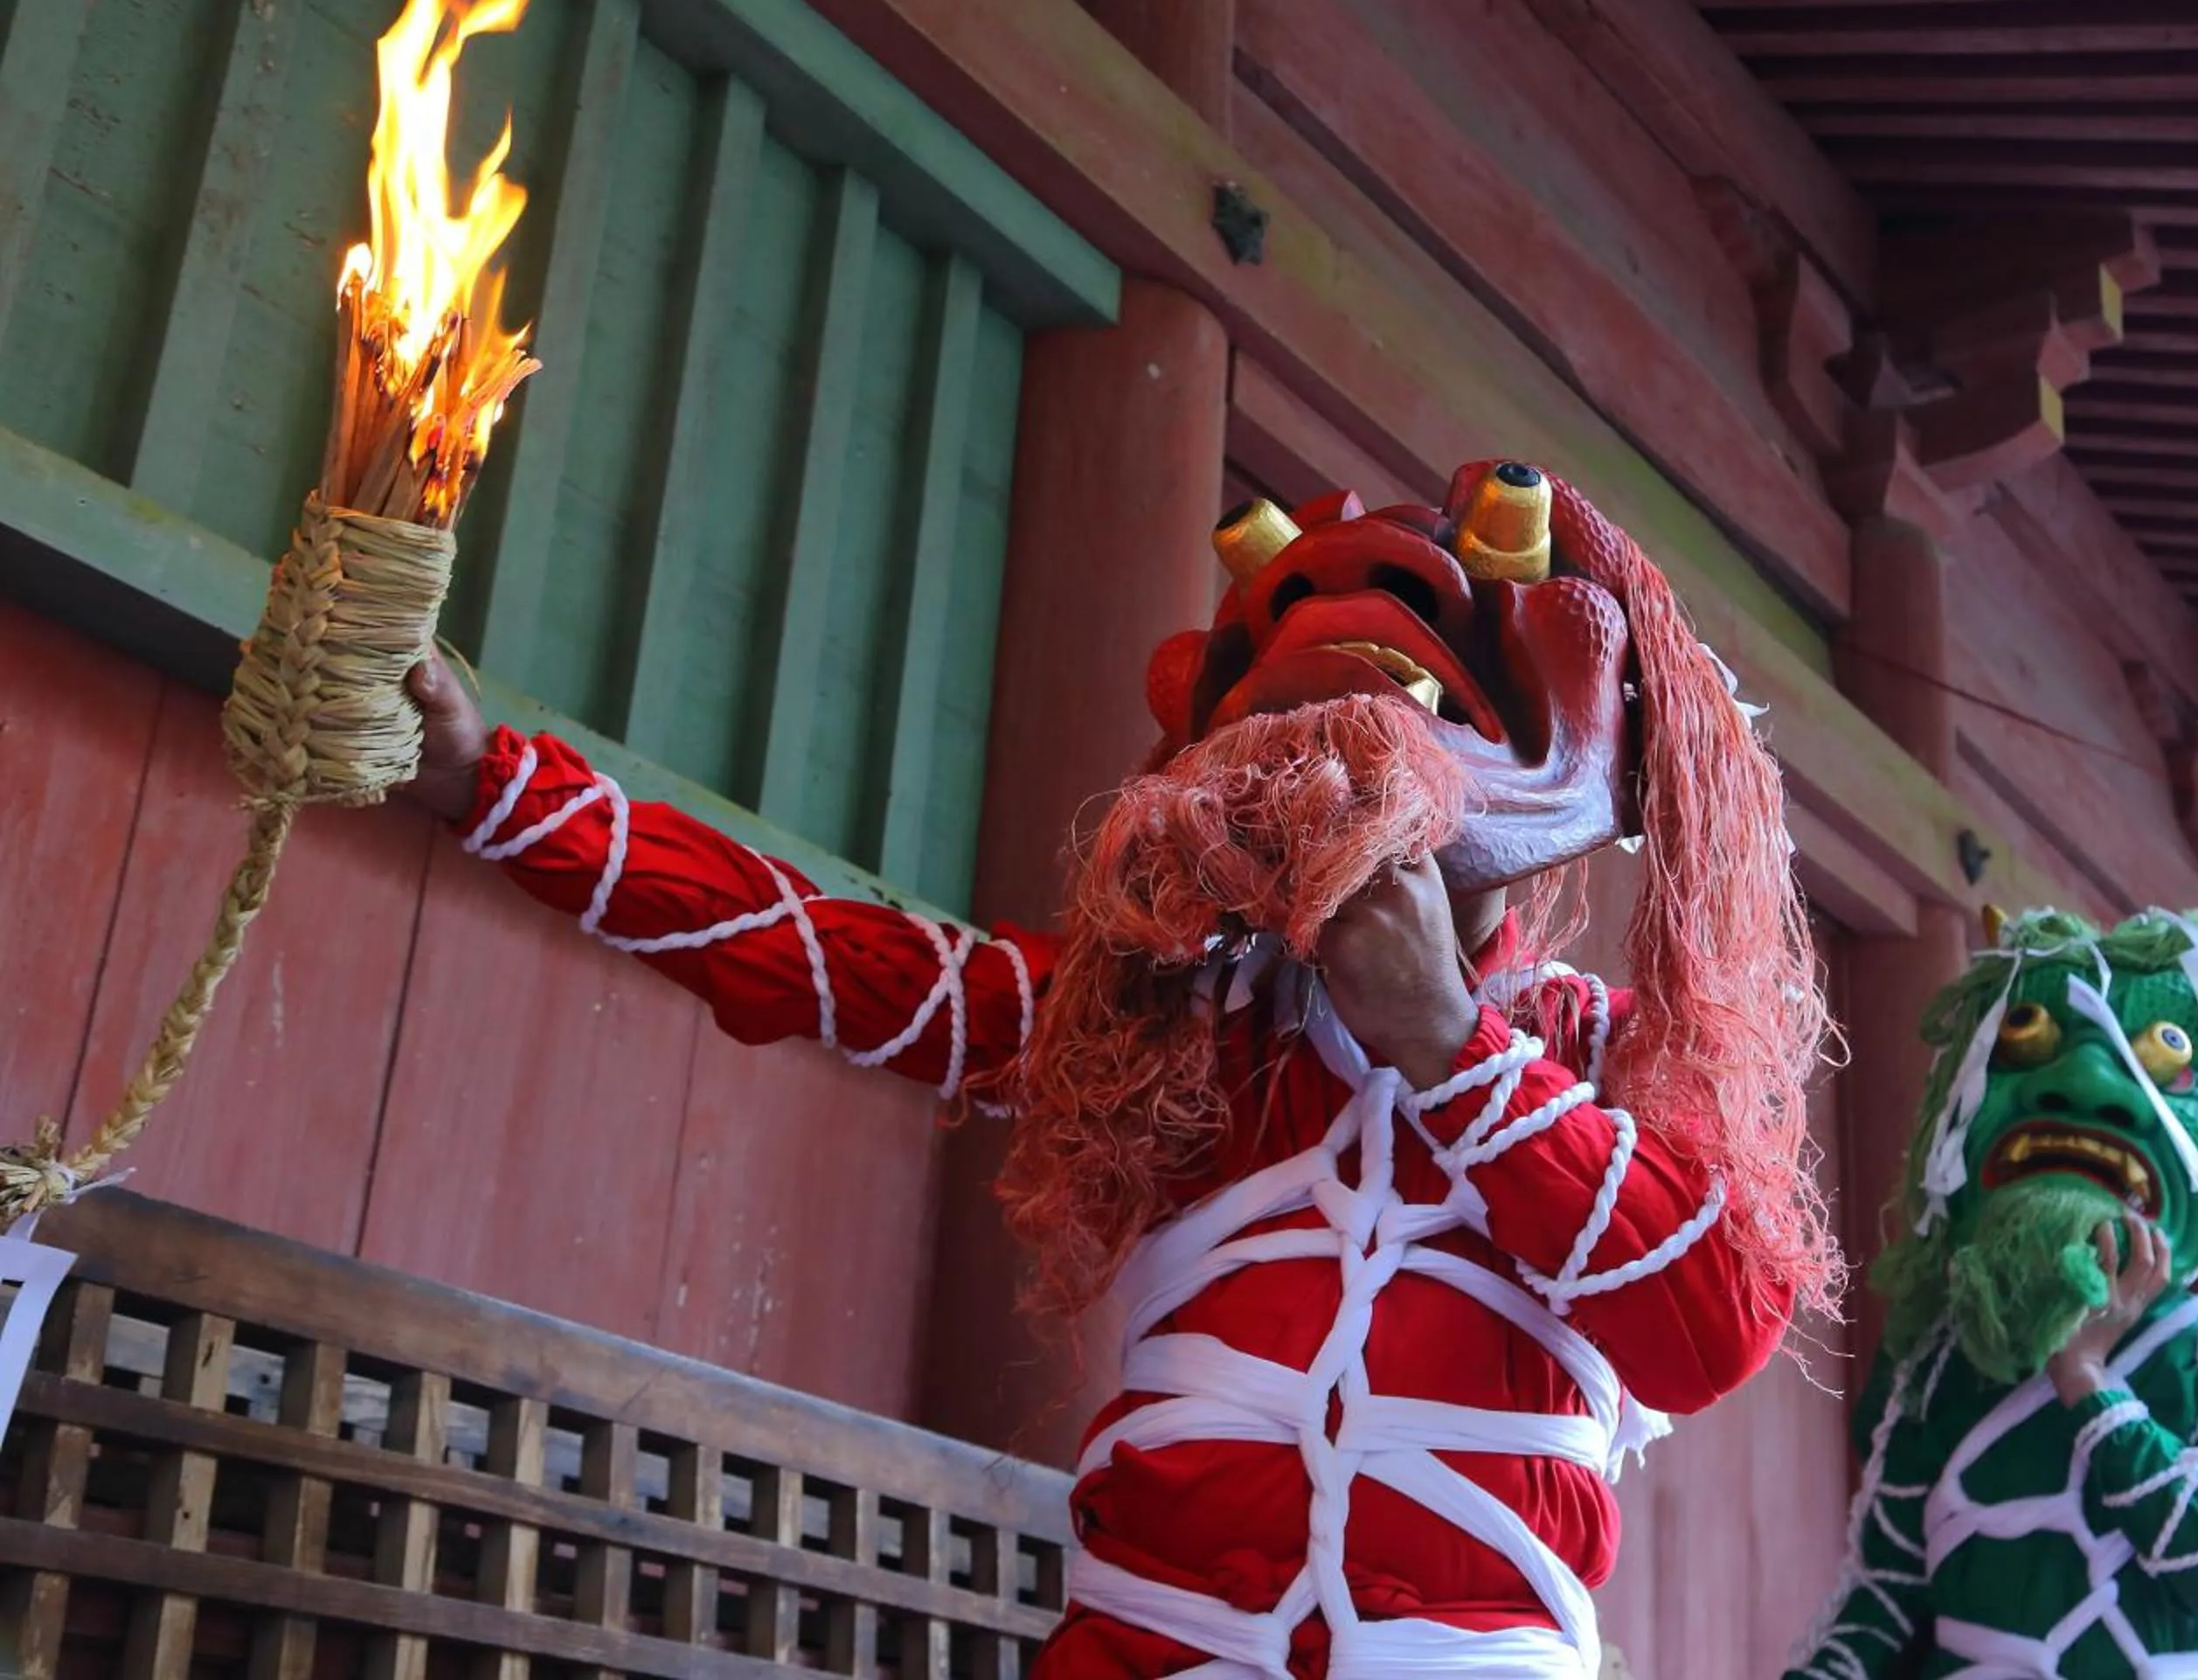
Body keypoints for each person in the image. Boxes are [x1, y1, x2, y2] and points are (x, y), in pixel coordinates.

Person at [398, 460, 1834, 1679]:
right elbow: (827, 957)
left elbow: (1708, 1330)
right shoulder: (1158, 1023)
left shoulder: (1607, 1049)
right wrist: (495, 789)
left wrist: (1450, 1047)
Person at [1785, 907, 2198, 1679]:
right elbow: (1889, 1593)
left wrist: (2091, 1384)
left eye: (2169, 1051)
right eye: (2025, 1037)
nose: (2085, 1085)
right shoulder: (1945, 1359)